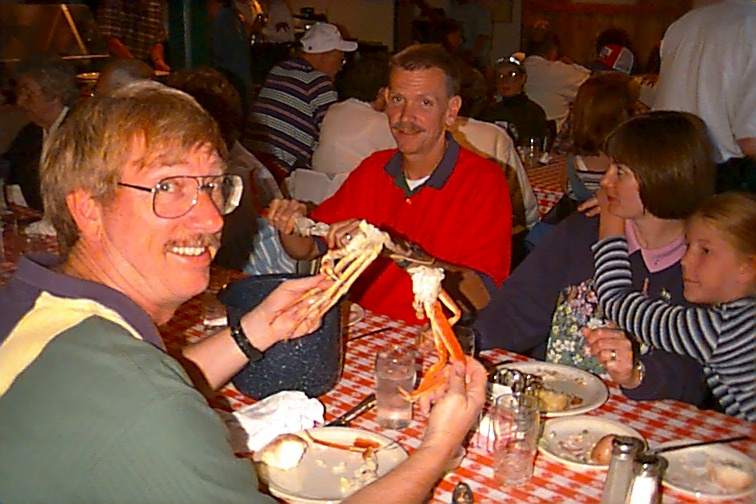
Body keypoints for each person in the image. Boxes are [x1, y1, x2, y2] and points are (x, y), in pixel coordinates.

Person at [0, 81, 488, 503]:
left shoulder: (36, 305)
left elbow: (149, 389)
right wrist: (437, 450)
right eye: (168, 187)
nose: (212, 218)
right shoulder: (146, 408)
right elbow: (148, 402)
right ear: (88, 209)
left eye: (212, 185)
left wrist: (255, 330)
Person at [476, 111, 716, 405]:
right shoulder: (582, 231)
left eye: (620, 172)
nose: (605, 181)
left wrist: (636, 374)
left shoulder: (702, 263)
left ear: (663, 177)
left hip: (649, 414)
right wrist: (468, 341)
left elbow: (691, 378)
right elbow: (518, 309)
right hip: (558, 404)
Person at [267, 44, 512, 323]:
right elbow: (307, 248)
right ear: (384, 100)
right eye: (397, 99)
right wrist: (291, 224)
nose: (405, 117)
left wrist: (398, 251)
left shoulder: (484, 181)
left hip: (433, 333)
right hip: (363, 327)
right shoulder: (374, 169)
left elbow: (483, 295)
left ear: (451, 110)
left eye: (425, 103)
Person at [585, 192, 755, 420]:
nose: (685, 260)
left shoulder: (722, 329)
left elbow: (615, 300)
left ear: (747, 267)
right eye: (688, 246)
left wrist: (611, 223)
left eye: (705, 251)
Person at [244, 22, 357, 172]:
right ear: (324, 55)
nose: (341, 67)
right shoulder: (317, 82)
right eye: (340, 59)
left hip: (252, 164)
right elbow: (334, 138)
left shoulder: (279, 70)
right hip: (282, 172)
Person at [653, 0, 755, 166]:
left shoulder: (684, 23)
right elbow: (751, 141)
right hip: (723, 172)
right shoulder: (751, 24)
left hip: (666, 160)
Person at [2, 56, 77, 211]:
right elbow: (9, 170)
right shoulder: (30, 133)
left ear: (54, 95)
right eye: (20, 92)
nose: (20, 101)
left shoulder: (78, 133)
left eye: (28, 93)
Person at [523, 31, 590, 132]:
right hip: (554, 135)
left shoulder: (519, 68)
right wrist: (573, 65)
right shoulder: (558, 71)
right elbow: (592, 86)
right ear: (553, 50)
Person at [478, 56, 548, 146]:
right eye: (500, 76)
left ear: (523, 78)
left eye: (512, 74)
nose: (505, 80)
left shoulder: (534, 113)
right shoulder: (487, 112)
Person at [97, 0, 170, 71]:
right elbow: (110, 39)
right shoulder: (112, 2)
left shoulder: (155, 3)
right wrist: (135, 65)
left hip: (142, 67)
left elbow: (157, 39)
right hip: (113, 68)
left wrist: (158, 60)